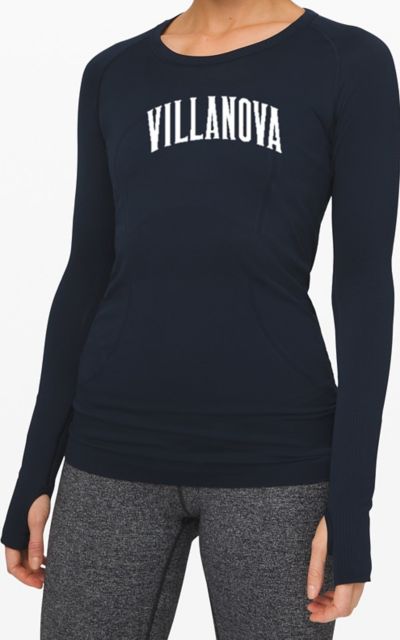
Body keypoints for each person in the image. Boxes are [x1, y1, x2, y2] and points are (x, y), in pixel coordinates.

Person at [2, 1, 400, 638]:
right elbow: (87, 275)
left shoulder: (348, 62)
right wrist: (34, 469)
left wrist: (352, 505)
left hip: (276, 459)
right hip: (111, 451)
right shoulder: (113, 73)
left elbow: (363, 286)